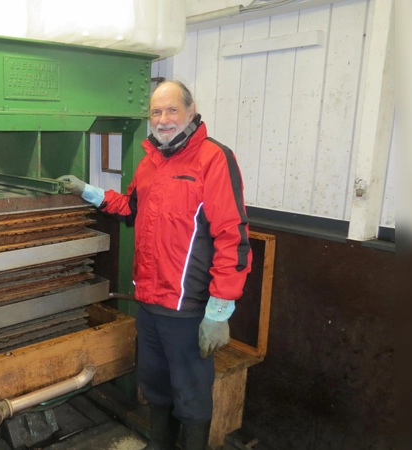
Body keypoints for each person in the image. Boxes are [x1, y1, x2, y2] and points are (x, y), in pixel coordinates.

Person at [59, 80, 252, 450]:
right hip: (148, 302)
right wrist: (88, 191)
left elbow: (234, 237)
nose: (163, 120)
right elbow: (130, 206)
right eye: (156, 113)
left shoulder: (214, 159)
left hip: (188, 308)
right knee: (157, 385)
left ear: (191, 111)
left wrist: (219, 310)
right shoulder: (150, 163)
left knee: (191, 393)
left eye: (172, 110)